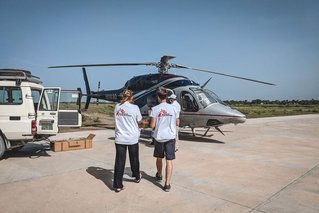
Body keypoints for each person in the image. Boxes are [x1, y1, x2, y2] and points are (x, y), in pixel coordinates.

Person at [113, 89, 147, 192]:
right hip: (132, 138)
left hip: (120, 138)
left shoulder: (117, 107)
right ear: (131, 97)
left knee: (119, 162)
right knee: (134, 159)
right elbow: (139, 122)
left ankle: (118, 185)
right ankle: (136, 177)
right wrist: (146, 123)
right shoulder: (135, 108)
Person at [149, 87, 180, 192]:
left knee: (159, 158)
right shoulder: (174, 108)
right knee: (169, 160)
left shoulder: (154, 109)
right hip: (170, 137)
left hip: (159, 138)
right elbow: (177, 123)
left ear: (158, 97)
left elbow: (152, 125)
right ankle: (167, 184)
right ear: (166, 97)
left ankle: (159, 174)